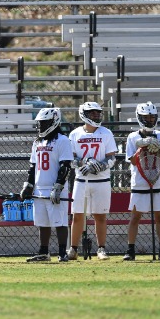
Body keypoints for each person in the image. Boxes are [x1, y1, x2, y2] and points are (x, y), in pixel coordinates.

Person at [123, 102, 160, 261]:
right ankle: (130, 250)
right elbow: (133, 161)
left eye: (152, 117)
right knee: (136, 216)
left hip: (158, 180)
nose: (150, 120)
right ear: (139, 117)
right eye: (146, 117)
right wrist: (142, 148)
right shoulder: (133, 137)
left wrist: (159, 149)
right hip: (140, 181)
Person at [20, 108, 73, 263]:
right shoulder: (37, 142)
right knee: (42, 223)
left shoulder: (63, 141)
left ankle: (62, 253)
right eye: (40, 123)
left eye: (44, 123)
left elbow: (65, 166)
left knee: (60, 222)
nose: (41, 126)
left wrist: (58, 186)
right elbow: (33, 167)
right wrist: (28, 185)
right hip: (39, 188)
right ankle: (44, 252)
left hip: (55, 188)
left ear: (54, 122)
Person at [68, 102, 118, 260]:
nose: (96, 116)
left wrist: (99, 166)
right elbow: (70, 159)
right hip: (81, 180)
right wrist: (83, 163)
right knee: (77, 215)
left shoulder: (106, 133)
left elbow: (111, 158)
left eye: (97, 113)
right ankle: (73, 249)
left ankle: (101, 249)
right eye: (92, 113)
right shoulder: (75, 134)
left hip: (101, 180)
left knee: (100, 216)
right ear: (84, 114)